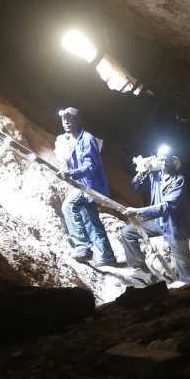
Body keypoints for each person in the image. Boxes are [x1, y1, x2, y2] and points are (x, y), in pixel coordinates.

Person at [120, 145, 190, 283]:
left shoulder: (179, 180)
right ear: (157, 160)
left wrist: (138, 211)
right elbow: (135, 187)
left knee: (184, 264)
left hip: (174, 226)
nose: (164, 163)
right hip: (157, 222)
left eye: (167, 160)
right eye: (161, 160)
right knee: (127, 233)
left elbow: (168, 206)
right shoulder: (154, 176)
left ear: (173, 161)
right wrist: (142, 171)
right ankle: (141, 270)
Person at [55, 107, 120, 267]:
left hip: (89, 186)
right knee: (91, 220)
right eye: (64, 119)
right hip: (80, 184)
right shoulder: (70, 141)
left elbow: (90, 166)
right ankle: (108, 256)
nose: (67, 122)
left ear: (79, 120)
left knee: (68, 206)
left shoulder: (87, 139)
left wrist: (72, 173)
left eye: (71, 118)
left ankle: (83, 247)